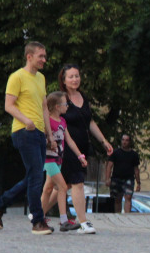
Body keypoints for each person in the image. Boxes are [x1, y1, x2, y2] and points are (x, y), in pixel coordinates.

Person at [0, 41, 55, 235]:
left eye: (45, 56)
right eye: (41, 56)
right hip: (24, 131)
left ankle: (0, 204)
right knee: (36, 177)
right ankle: (37, 221)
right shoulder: (17, 77)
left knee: (34, 176)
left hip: (39, 133)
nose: (44, 60)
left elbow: (44, 107)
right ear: (29, 56)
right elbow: (8, 105)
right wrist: (27, 121)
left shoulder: (41, 78)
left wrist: (50, 135)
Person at [59, 65, 113, 235]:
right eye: (71, 76)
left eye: (77, 76)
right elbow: (54, 120)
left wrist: (103, 141)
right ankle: (83, 222)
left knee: (61, 186)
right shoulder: (61, 98)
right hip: (67, 147)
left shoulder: (83, 97)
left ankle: (37, 215)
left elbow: (90, 122)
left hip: (82, 147)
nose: (75, 79)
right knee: (78, 182)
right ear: (64, 80)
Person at [40, 91, 86, 231]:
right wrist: (49, 142)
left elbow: (69, 140)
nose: (67, 106)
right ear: (57, 106)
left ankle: (38, 217)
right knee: (63, 187)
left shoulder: (62, 121)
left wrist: (80, 156)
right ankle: (64, 220)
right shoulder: (47, 121)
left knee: (48, 189)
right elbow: (41, 139)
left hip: (58, 159)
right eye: (65, 103)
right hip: (49, 159)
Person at [105, 134, 141, 214]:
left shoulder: (134, 154)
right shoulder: (115, 152)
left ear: (129, 142)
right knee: (117, 199)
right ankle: (118, 215)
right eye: (123, 140)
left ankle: (127, 215)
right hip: (116, 178)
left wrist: (138, 182)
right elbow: (109, 166)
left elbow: (136, 169)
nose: (124, 142)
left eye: (126, 140)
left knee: (128, 197)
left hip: (129, 179)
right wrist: (107, 178)